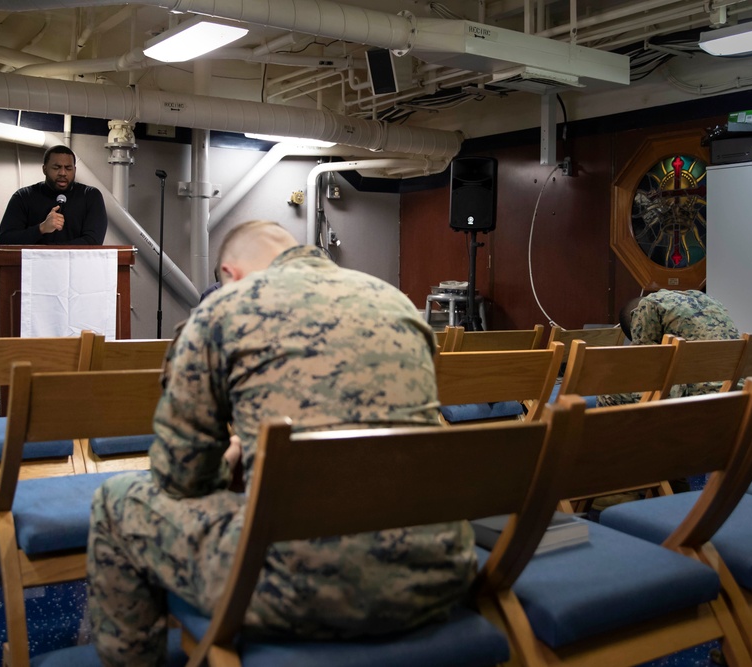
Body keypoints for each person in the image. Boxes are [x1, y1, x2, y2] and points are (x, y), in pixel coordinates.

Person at [87, 220, 476, 666]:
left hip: (298, 587)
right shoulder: (397, 303)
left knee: (115, 503)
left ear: (229, 276)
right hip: (439, 571)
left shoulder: (225, 308)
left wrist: (230, 459)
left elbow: (180, 478)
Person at [597, 288, 741, 407]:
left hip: (700, 396)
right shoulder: (704, 298)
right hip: (738, 389)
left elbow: (643, 365)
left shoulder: (646, 306)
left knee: (608, 390)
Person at [0, 145, 107, 245]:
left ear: (75, 170)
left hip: (78, 266)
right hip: (34, 266)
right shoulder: (24, 196)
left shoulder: (90, 196)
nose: (63, 173)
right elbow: (5, 239)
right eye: (56, 167)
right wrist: (41, 228)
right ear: (44, 169)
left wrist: (51, 250)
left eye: (68, 168)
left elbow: (93, 241)